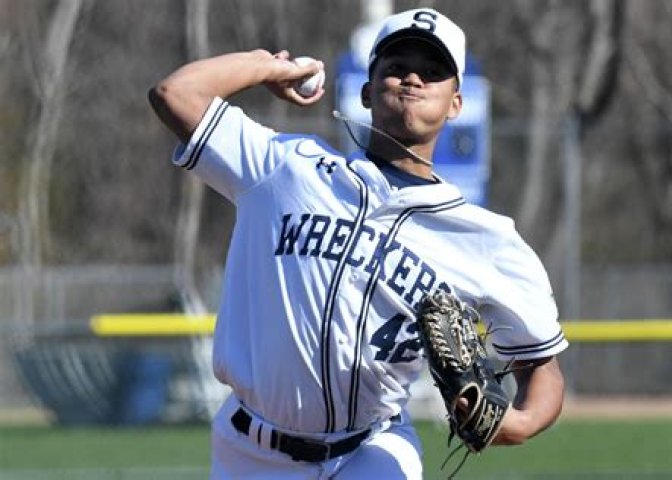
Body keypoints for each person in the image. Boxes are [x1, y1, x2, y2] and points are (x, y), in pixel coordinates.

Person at [148, 7, 568, 480]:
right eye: (395, 68)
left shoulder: (487, 240)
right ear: (368, 92)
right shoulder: (285, 169)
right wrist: (269, 67)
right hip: (249, 451)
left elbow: (541, 368)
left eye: (432, 72)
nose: (412, 79)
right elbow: (175, 94)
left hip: (372, 451)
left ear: (455, 102)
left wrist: (517, 422)